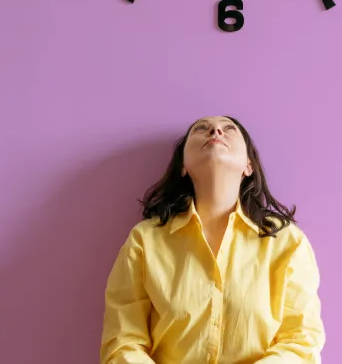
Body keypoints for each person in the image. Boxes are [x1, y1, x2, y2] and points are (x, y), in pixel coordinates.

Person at [99, 115, 326, 364]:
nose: (215, 131)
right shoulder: (145, 240)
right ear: (183, 165)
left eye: (229, 129)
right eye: (201, 129)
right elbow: (122, 342)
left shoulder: (287, 243)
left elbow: (301, 342)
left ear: (248, 166)